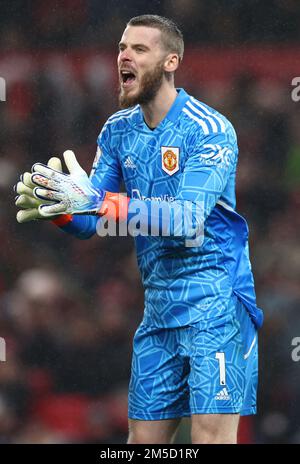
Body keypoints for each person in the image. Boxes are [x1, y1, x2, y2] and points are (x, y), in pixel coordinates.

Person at [15, 14, 263, 444]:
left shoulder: (210, 129)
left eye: (139, 49)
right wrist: (59, 208)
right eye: (121, 48)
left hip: (216, 308)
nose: (124, 56)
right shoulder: (117, 131)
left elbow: (188, 218)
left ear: (171, 62)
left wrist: (96, 201)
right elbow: (92, 223)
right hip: (158, 314)